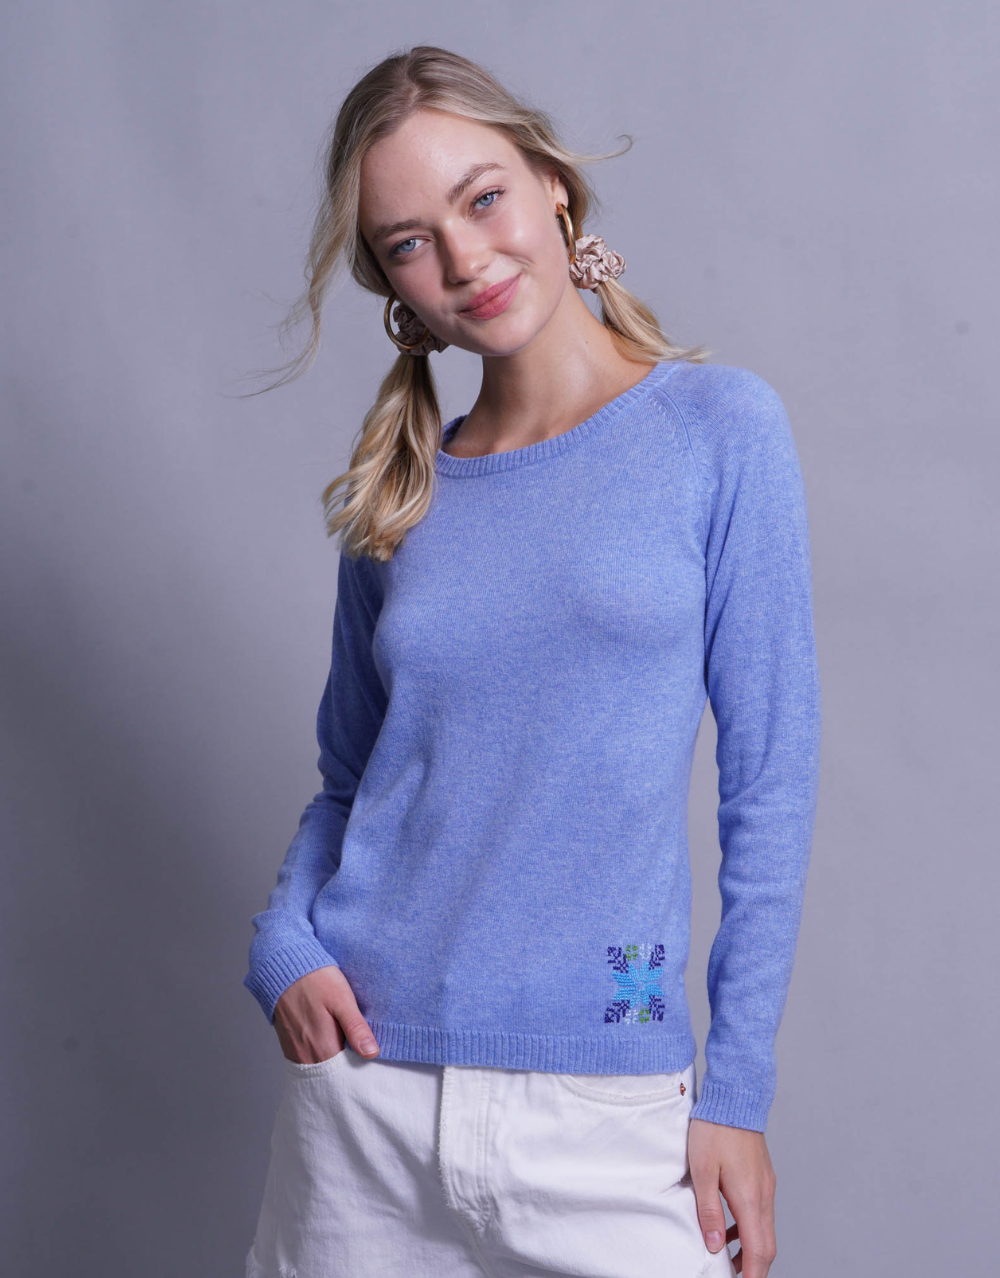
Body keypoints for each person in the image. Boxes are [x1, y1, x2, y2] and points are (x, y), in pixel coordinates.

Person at [241, 44, 821, 1278]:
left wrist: (736, 1092)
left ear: (554, 186)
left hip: (604, 1098)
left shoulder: (718, 432)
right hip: (365, 1101)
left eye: (484, 197)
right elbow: (349, 782)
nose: (463, 259)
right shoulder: (397, 496)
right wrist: (283, 940)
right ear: (391, 284)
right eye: (410, 241)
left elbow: (768, 787)